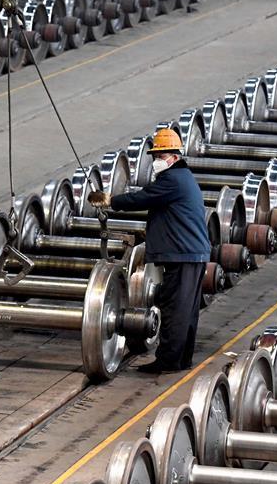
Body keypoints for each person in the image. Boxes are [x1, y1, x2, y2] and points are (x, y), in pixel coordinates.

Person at [88, 128, 211, 374]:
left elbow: (142, 199)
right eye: (155, 156)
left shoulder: (173, 179)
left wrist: (110, 200)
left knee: (175, 310)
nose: (157, 160)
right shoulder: (182, 177)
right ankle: (181, 360)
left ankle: (168, 361)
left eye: (161, 156)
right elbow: (170, 215)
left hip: (184, 255)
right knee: (186, 310)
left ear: (174, 157)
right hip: (190, 253)